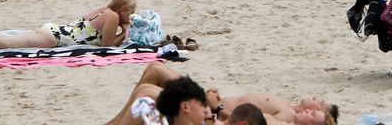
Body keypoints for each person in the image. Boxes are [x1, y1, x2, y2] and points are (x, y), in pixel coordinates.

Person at [106, 63, 339, 125]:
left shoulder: (285, 118)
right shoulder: (286, 108)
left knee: (153, 78)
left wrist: (215, 108)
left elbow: (242, 121)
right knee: (152, 76)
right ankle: (114, 122)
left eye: (315, 110)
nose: (312, 106)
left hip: (207, 108)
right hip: (210, 105)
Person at [0, 0, 135, 47]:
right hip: (54, 38)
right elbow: (107, 46)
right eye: (131, 12)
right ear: (123, 10)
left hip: (54, 31)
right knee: (7, 43)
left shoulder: (104, 10)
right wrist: (124, 33)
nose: (131, 16)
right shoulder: (113, 16)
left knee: (8, 40)